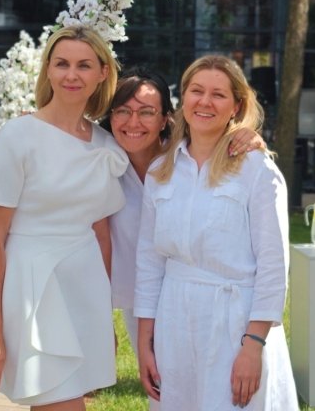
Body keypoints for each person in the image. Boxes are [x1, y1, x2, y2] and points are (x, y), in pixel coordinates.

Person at [0, 26, 128, 409]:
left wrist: (104, 316)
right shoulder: (17, 137)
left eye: (83, 65)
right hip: (33, 288)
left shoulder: (106, 143)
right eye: (61, 64)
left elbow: (102, 234)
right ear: (48, 69)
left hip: (85, 288)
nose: (71, 75)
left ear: (102, 72)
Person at [135, 55, 298, 410]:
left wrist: (254, 345)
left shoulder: (256, 169)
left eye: (218, 94)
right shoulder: (161, 171)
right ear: (183, 98)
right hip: (175, 321)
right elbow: (149, 262)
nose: (205, 102)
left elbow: (273, 265)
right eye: (196, 91)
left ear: (236, 106)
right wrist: (145, 343)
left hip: (236, 324)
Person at [99, 67, 265, 411]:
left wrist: (249, 135)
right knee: (166, 392)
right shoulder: (99, 159)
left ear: (165, 118)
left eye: (147, 112)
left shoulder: (185, 159)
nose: (134, 122)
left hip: (199, 294)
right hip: (136, 294)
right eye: (123, 111)